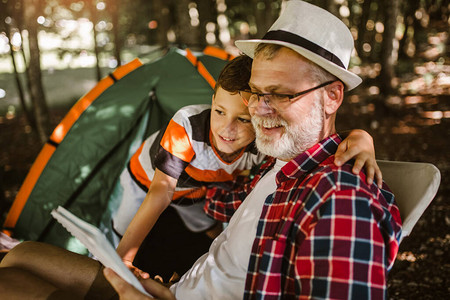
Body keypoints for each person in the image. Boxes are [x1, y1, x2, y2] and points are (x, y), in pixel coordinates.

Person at [0, 1, 401, 299]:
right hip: (174, 290)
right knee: (22, 256)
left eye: (279, 95)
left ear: (333, 96)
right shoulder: (276, 169)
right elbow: (212, 203)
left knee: (10, 284)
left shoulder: (340, 202)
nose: (259, 113)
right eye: (257, 95)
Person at [113, 54, 380, 281]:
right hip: (147, 181)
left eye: (242, 119)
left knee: (204, 230)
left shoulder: (261, 141)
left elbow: (309, 145)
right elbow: (160, 192)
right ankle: (104, 259)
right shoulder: (187, 125)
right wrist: (123, 261)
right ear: (212, 100)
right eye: (218, 111)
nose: (226, 129)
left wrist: (358, 137)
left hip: (198, 193)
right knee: (123, 227)